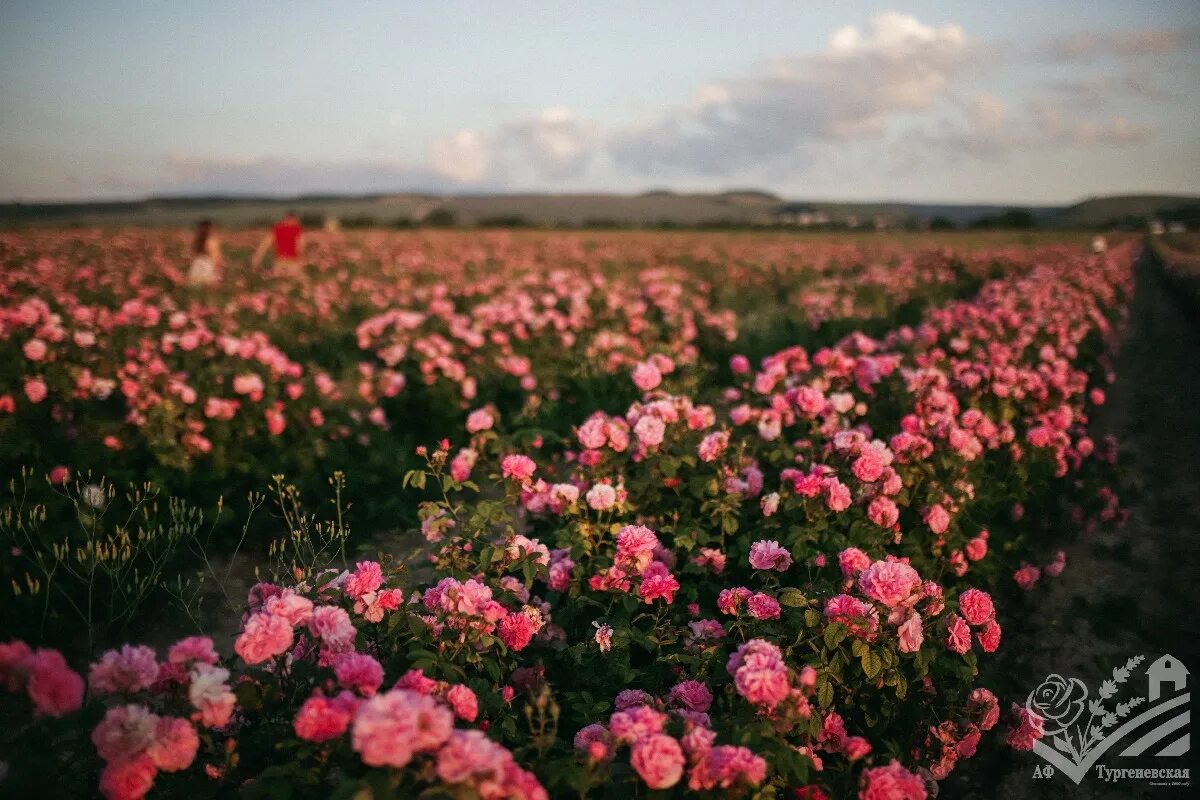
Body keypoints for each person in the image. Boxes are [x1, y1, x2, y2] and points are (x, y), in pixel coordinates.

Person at [187, 219, 223, 287]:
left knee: (201, 286)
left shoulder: (211, 241)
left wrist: (217, 271)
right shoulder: (199, 241)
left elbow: (217, 258)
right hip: (201, 267)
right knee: (199, 285)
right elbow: (217, 258)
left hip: (206, 267)